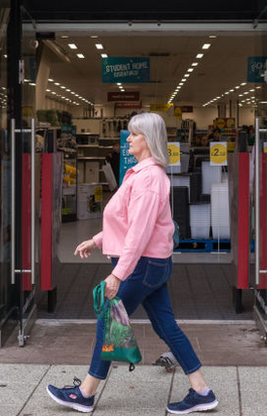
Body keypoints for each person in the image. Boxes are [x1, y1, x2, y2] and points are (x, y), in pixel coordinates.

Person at [47, 113, 217, 414]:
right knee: (165, 326)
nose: (128, 139)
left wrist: (117, 274)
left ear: (148, 139)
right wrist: (97, 240)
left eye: (134, 134)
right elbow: (126, 221)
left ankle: (85, 393)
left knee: (108, 319)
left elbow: (139, 233)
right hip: (151, 264)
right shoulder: (142, 174)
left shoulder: (149, 179)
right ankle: (201, 390)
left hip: (142, 265)